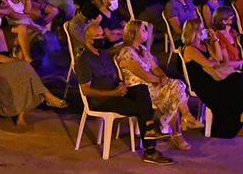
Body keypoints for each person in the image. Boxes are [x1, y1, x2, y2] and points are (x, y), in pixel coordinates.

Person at [74, 21, 173, 164]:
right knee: (141, 108)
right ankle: (150, 149)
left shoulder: (103, 54)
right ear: (87, 39)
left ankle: (150, 129)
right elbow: (86, 90)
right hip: (102, 100)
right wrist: (113, 93)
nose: (101, 38)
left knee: (141, 89)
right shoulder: (84, 60)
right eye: (97, 36)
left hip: (116, 92)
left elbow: (115, 75)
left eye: (102, 35)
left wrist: (120, 85)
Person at [0, 5, 67, 125]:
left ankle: (23, 115)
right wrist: (17, 62)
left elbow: (21, 30)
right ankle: (47, 96)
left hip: (5, 66)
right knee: (25, 67)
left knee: (25, 69)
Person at [116, 20, 199, 150]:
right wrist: (159, 81)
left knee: (178, 84)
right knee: (174, 94)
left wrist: (163, 77)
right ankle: (175, 130)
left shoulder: (143, 50)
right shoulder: (127, 52)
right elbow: (142, 74)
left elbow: (155, 68)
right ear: (133, 33)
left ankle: (184, 116)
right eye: (143, 30)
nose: (146, 33)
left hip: (152, 84)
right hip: (140, 90)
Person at [180, 18, 243, 139]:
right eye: (201, 29)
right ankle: (242, 120)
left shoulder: (204, 45)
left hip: (215, 78)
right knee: (237, 81)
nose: (204, 30)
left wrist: (214, 39)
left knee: (240, 79)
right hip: (204, 83)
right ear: (195, 31)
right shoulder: (189, 49)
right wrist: (213, 62)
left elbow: (218, 58)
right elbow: (208, 63)